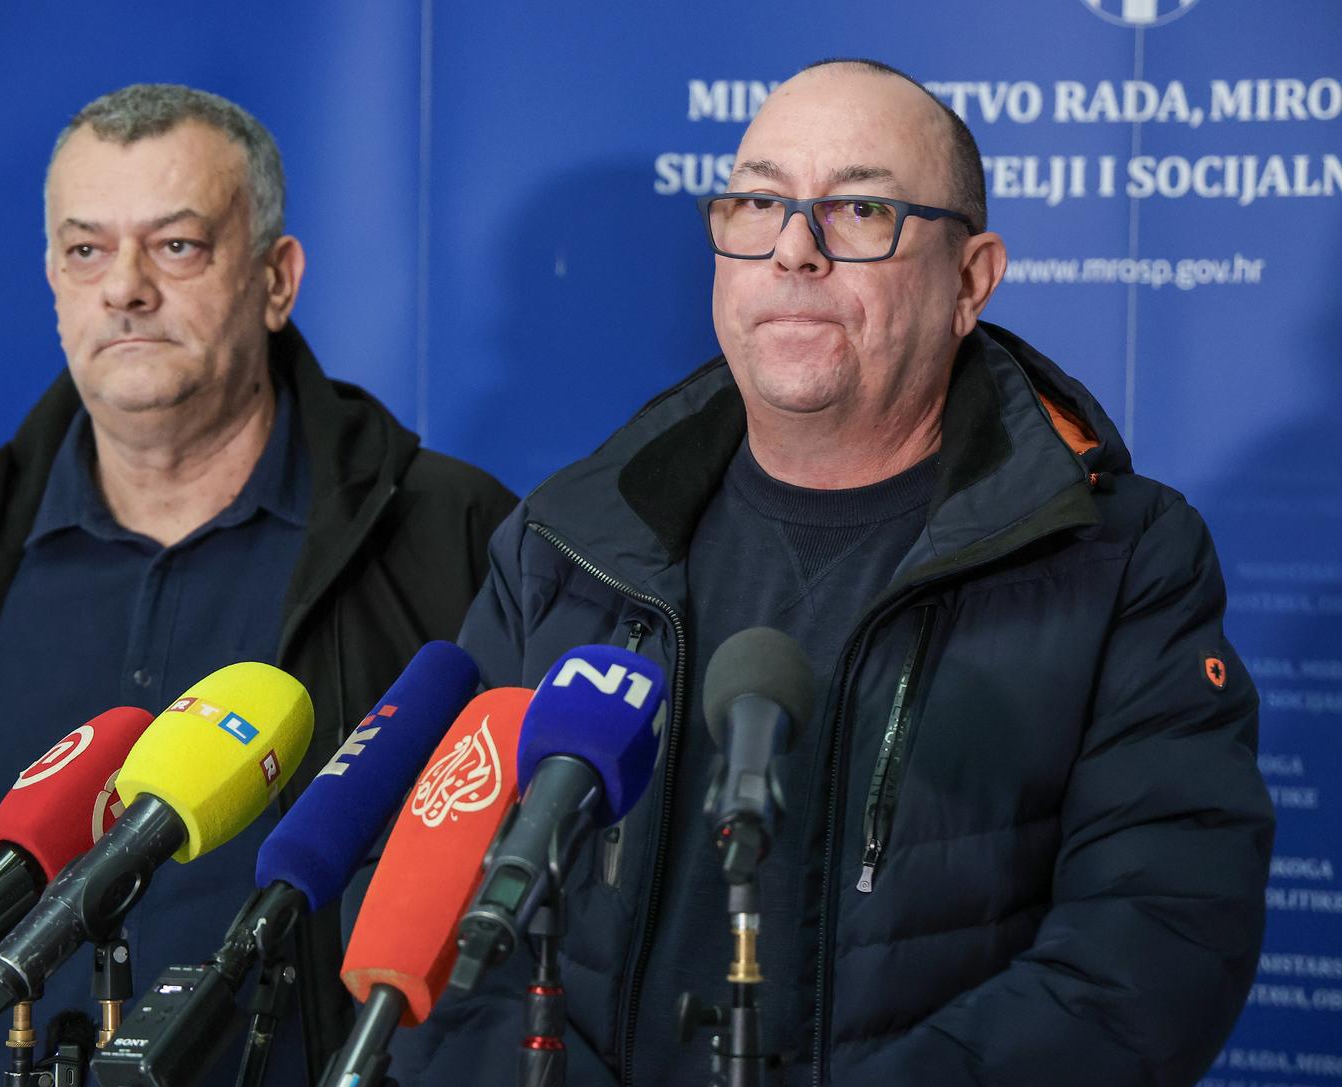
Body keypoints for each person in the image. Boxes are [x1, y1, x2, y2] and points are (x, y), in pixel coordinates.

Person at [390, 59, 1273, 1086]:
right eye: (759, 201)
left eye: (858, 209)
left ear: (970, 280)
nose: (793, 250)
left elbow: (1153, 946)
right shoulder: (565, 538)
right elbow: (434, 898)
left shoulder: (1120, 560)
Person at [0, 84, 515, 1087]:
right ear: (51, 275)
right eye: (86, 250)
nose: (124, 289)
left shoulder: (442, 530)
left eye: (175, 246)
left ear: (274, 278)